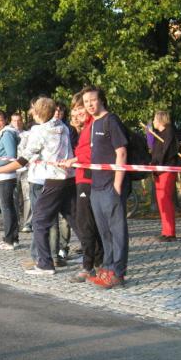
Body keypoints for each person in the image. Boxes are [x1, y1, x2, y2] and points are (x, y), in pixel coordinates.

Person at [0, 97, 74, 275]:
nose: (30, 112)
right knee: (74, 220)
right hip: (67, 178)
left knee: (39, 221)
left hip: (52, 179)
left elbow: (23, 160)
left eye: (33, 109)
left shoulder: (39, 130)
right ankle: (95, 259)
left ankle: (45, 263)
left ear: (37, 112)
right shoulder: (62, 127)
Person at [83, 86, 130, 289]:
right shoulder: (94, 123)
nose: (89, 105)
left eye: (92, 100)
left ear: (101, 100)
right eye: (86, 102)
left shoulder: (111, 120)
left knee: (117, 231)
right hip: (96, 186)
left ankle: (118, 273)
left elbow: (121, 152)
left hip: (111, 186)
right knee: (104, 232)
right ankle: (108, 268)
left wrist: (117, 184)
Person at [63, 91, 103, 282]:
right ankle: (98, 262)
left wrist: (74, 160)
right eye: (75, 109)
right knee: (89, 223)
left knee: (85, 224)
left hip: (88, 179)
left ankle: (89, 266)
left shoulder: (94, 126)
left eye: (81, 108)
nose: (78, 113)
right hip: (83, 177)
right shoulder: (87, 126)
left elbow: (95, 153)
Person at [0, 109, 20, 249]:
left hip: (6, 175)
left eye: (0, 120)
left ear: (6, 119)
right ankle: (13, 238)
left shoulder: (7, 134)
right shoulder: (4, 133)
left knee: (6, 209)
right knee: (9, 208)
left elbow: (11, 156)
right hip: (4, 175)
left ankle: (9, 240)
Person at [149, 111, 180, 241]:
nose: (153, 122)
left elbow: (168, 152)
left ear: (160, 120)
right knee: (161, 201)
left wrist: (158, 163)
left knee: (165, 200)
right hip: (159, 171)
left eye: (155, 119)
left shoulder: (169, 132)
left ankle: (170, 233)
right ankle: (165, 230)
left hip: (166, 169)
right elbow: (155, 152)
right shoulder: (159, 134)